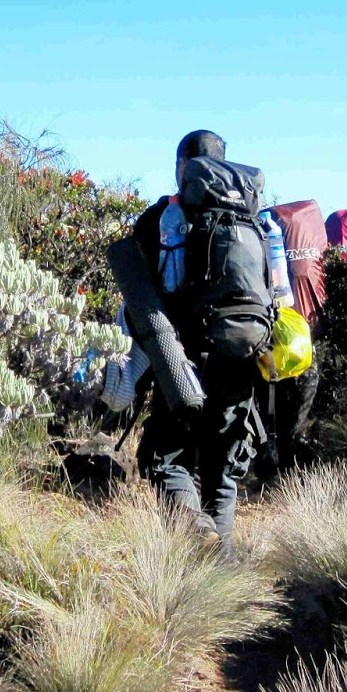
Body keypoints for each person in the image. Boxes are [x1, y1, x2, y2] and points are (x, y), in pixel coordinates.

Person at [128, 129, 271, 553]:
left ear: (181, 166)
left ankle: (192, 527)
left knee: (167, 459)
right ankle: (221, 577)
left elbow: (140, 294)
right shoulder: (255, 222)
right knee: (222, 471)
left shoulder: (162, 217)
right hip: (243, 354)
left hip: (183, 360)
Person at [255, 199, 327, 478]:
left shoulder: (263, 232)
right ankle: (288, 461)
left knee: (267, 394)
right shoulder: (312, 235)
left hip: (270, 327)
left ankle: (267, 458)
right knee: (300, 391)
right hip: (304, 332)